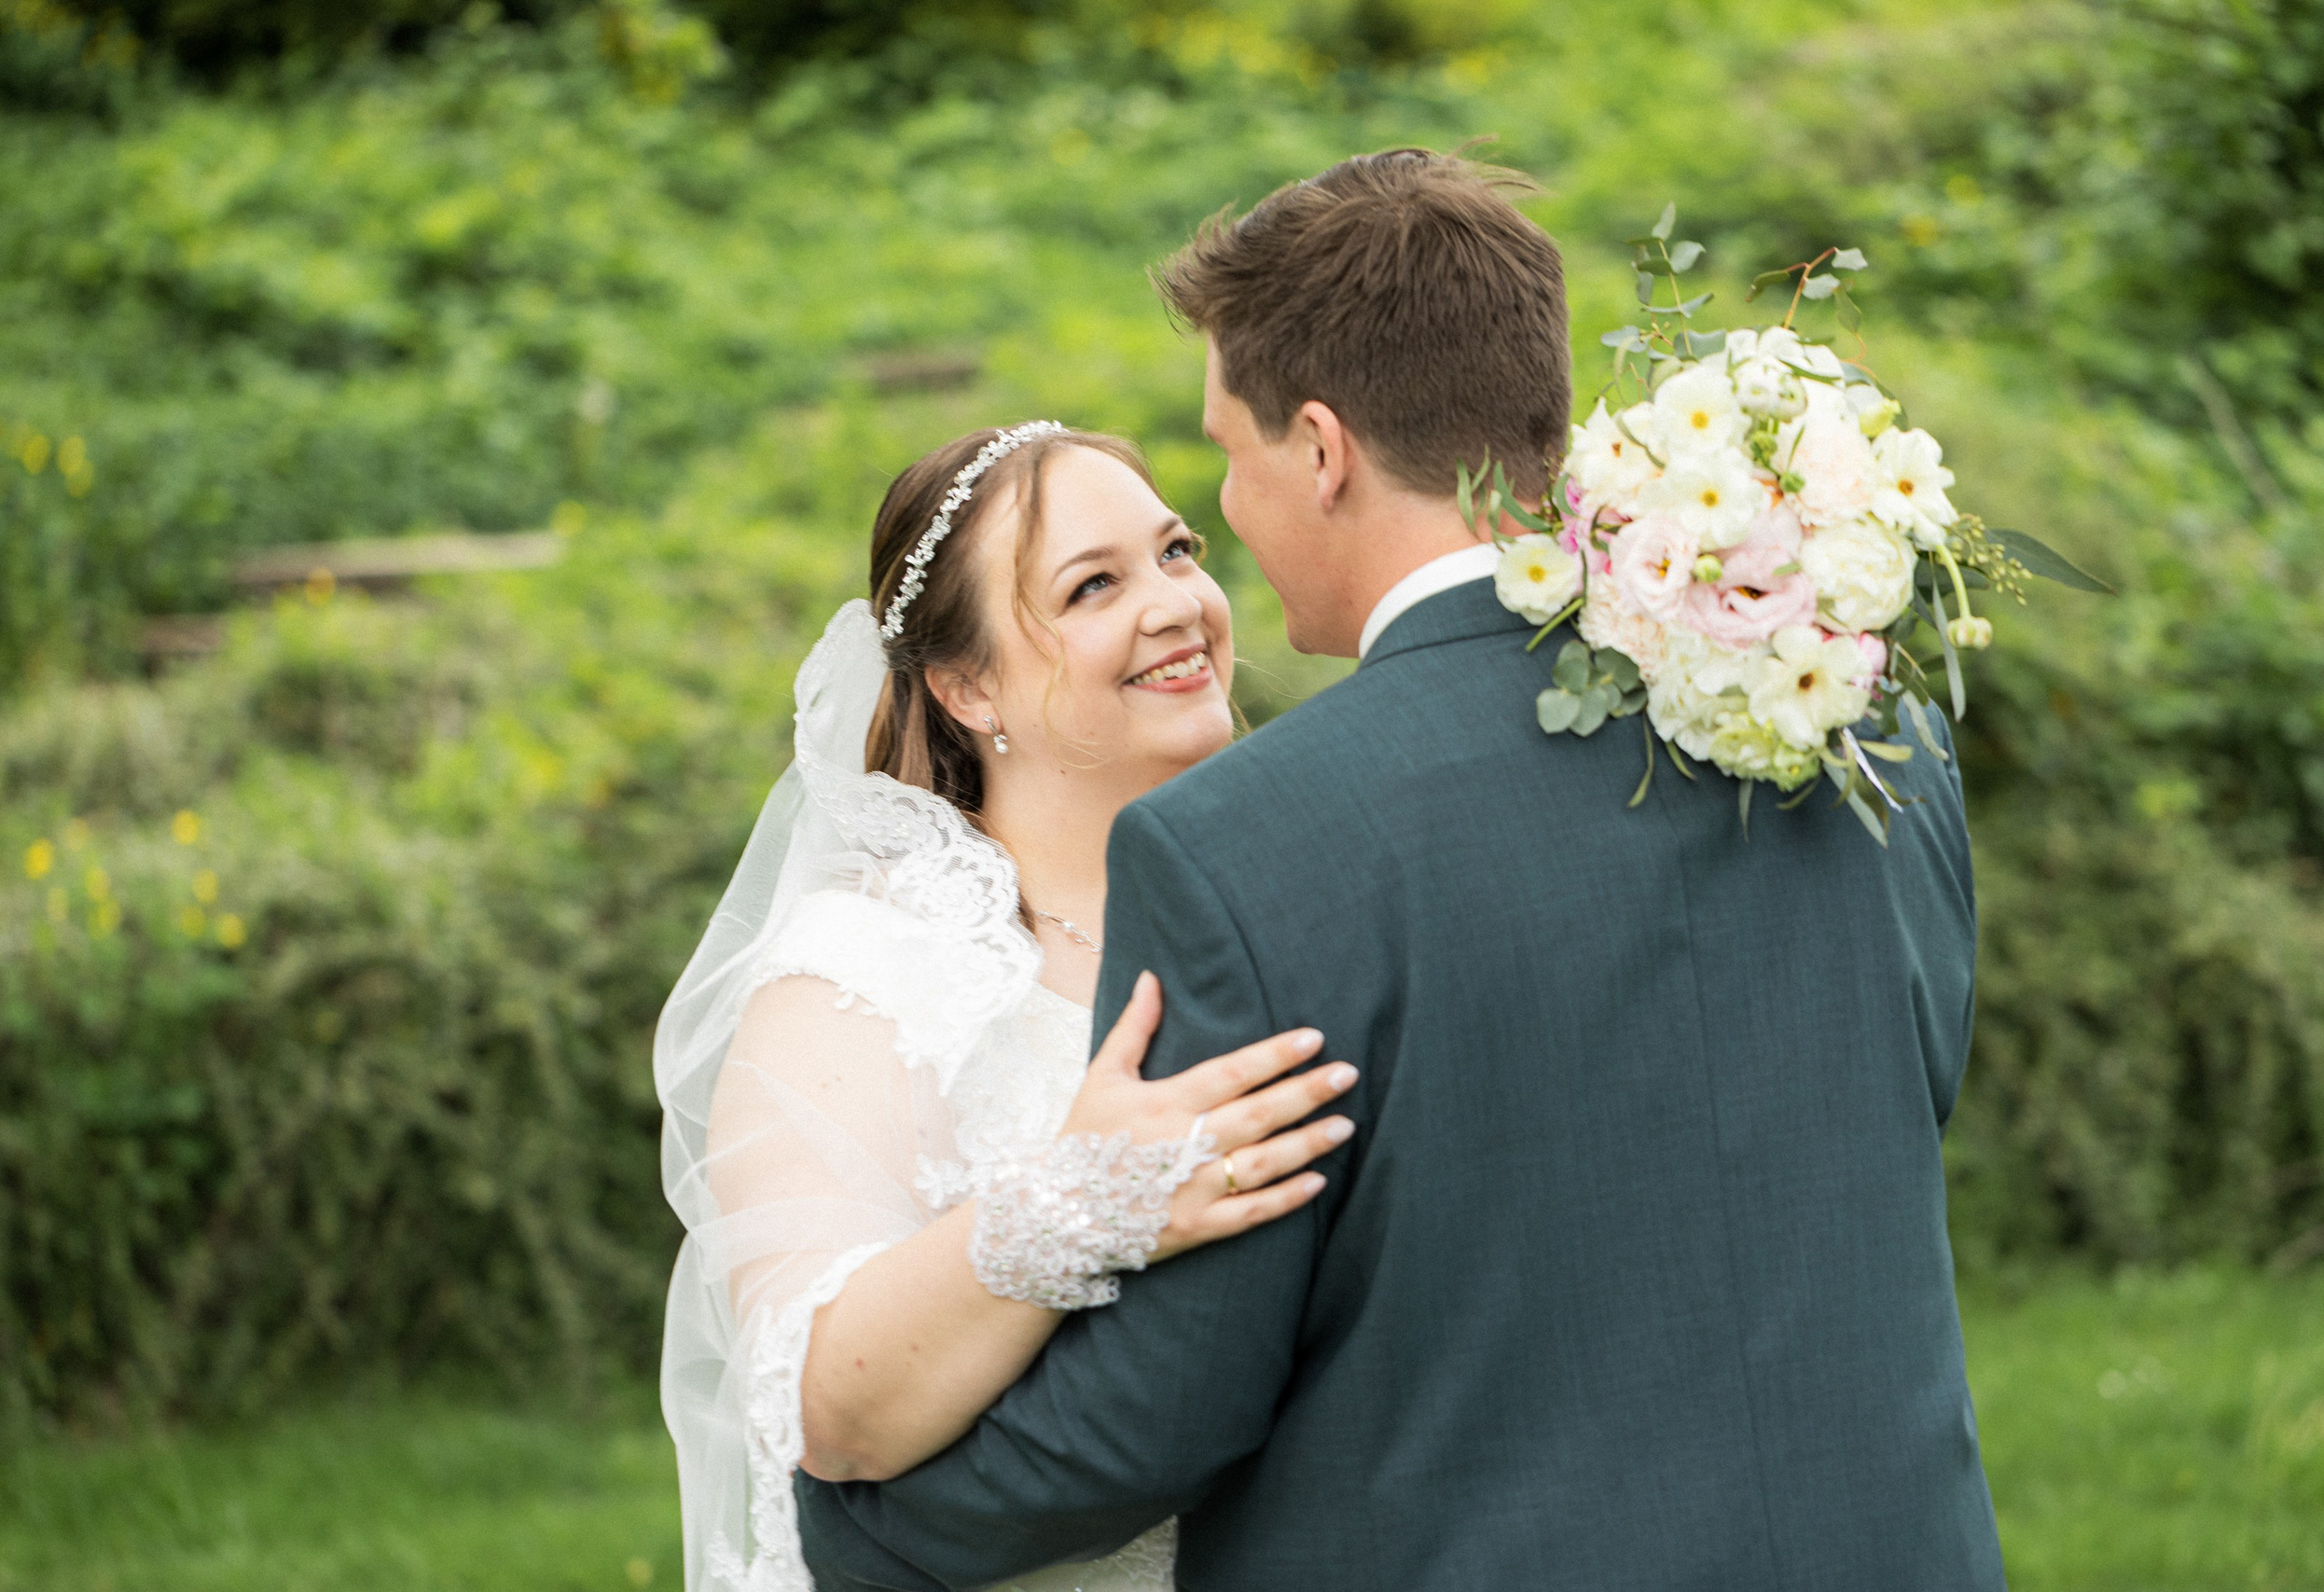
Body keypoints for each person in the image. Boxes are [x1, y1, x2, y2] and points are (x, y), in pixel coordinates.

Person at [792, 151, 2006, 1590]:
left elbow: (1170, 1397)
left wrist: (846, 1518)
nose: (1226, 523)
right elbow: (1899, 1092)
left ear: (1320, 449)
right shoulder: (1869, 725)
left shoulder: (1247, 844)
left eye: (1226, 462)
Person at [656, 421, 1363, 1592]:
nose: (1177, 602)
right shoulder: (862, 971)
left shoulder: (1309, 893)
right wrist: (1083, 1199)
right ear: (965, 684)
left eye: (1176, 552)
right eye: (1093, 585)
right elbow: (826, 1404)